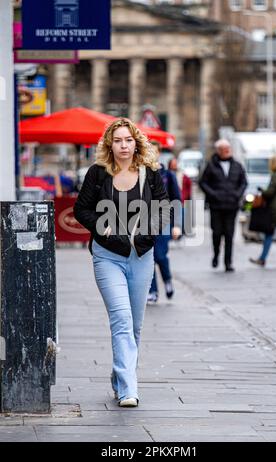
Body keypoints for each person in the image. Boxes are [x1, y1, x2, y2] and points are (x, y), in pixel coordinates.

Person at [74, 118, 171, 408]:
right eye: (118, 140)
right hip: (107, 257)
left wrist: (147, 237)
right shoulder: (98, 173)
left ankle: (120, 378)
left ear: (136, 142)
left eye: (128, 140)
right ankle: (129, 388)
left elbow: (164, 210)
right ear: (109, 144)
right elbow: (81, 209)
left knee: (136, 326)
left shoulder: (151, 173)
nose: (124, 145)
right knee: (122, 320)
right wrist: (102, 227)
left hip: (141, 257)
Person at [199, 139, 247, 272]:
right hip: (216, 206)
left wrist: (237, 194)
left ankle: (228, 262)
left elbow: (243, 182)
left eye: (228, 149)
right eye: (224, 149)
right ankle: (216, 255)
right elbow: (203, 182)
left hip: (232, 206)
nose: (227, 152)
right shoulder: (211, 166)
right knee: (217, 233)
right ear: (218, 151)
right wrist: (213, 194)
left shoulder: (237, 165)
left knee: (229, 235)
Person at [147, 143, 182, 304]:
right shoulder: (141, 173)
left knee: (160, 256)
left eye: (153, 151)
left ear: (159, 153)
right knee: (148, 258)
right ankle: (152, 291)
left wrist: (177, 225)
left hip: (164, 221)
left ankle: (167, 279)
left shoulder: (168, 175)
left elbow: (176, 201)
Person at [169, 157, 193, 236]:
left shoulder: (183, 176)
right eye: (173, 164)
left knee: (182, 217)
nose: (174, 166)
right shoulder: (167, 175)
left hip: (182, 200)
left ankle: (181, 232)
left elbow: (188, 188)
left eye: (175, 164)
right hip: (170, 201)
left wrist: (187, 198)